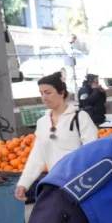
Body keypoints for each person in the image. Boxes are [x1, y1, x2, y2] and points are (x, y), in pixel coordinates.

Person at [16, 72, 98, 201]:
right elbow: (37, 156)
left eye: (48, 92)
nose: (44, 97)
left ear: (61, 92)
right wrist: (24, 183)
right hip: (55, 185)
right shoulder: (42, 122)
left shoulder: (80, 117)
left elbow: (92, 152)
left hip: (79, 187)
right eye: (41, 93)